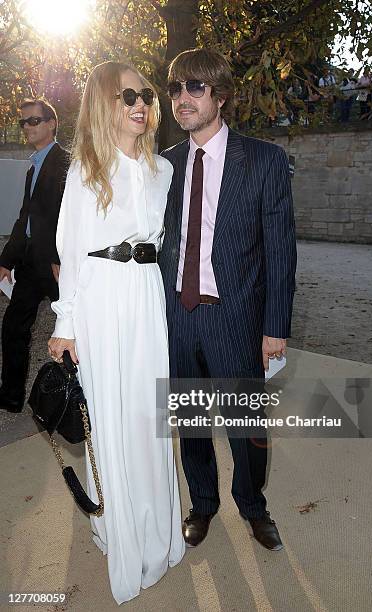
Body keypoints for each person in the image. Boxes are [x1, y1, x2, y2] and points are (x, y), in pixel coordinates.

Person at [47, 61, 185, 605]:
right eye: (127, 94)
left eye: (146, 95)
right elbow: (70, 256)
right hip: (102, 300)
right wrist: (65, 326)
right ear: (105, 103)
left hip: (147, 298)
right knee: (108, 418)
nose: (140, 103)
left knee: (149, 420)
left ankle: (155, 530)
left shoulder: (163, 172)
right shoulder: (85, 171)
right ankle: (118, 532)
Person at [159, 49, 296, 551]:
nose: (182, 98)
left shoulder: (263, 159)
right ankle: (203, 504)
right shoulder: (163, 166)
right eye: (175, 88)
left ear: (220, 94)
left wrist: (275, 326)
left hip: (236, 317)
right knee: (191, 423)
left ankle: (253, 505)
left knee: (246, 428)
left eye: (195, 87)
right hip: (177, 315)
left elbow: (281, 251)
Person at [0, 99, 69, 413]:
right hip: (30, 263)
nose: (28, 126)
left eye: (35, 120)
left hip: (56, 265)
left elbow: (70, 216)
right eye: (24, 122)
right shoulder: (33, 167)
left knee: (74, 330)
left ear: (51, 124)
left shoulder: (67, 162)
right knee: (14, 327)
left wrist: (61, 257)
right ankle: (11, 396)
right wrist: (5, 261)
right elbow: (24, 218)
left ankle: (79, 399)